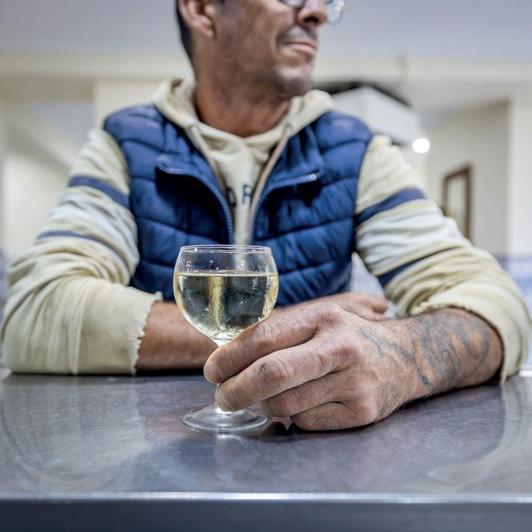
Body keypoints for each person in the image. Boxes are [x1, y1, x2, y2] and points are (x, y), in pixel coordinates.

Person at [1, 0, 529, 431]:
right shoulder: (123, 143)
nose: (317, 13)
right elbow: (34, 312)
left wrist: (402, 356)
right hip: (148, 445)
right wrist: (298, 323)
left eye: (326, 1)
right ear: (202, 9)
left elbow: (496, 304)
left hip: (306, 446)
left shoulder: (357, 150)